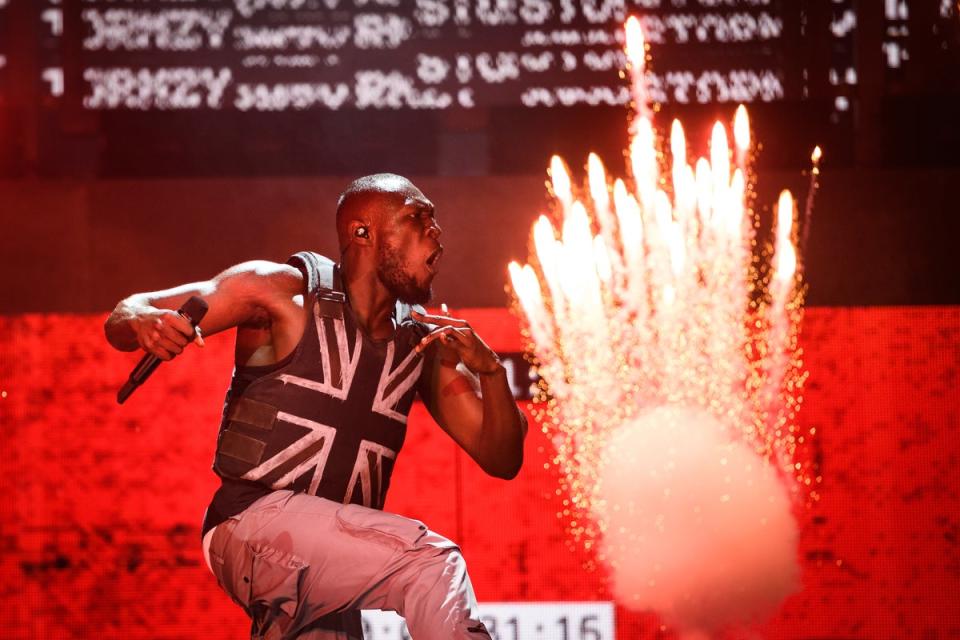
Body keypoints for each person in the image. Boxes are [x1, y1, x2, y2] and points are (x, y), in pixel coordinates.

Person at [104, 173, 527, 639]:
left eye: (435, 220)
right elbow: (128, 311)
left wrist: (491, 374)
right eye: (417, 217)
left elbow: (502, 458)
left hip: (321, 558)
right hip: (251, 524)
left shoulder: (421, 344)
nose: (436, 231)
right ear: (362, 232)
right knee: (428, 562)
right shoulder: (282, 293)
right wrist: (144, 322)